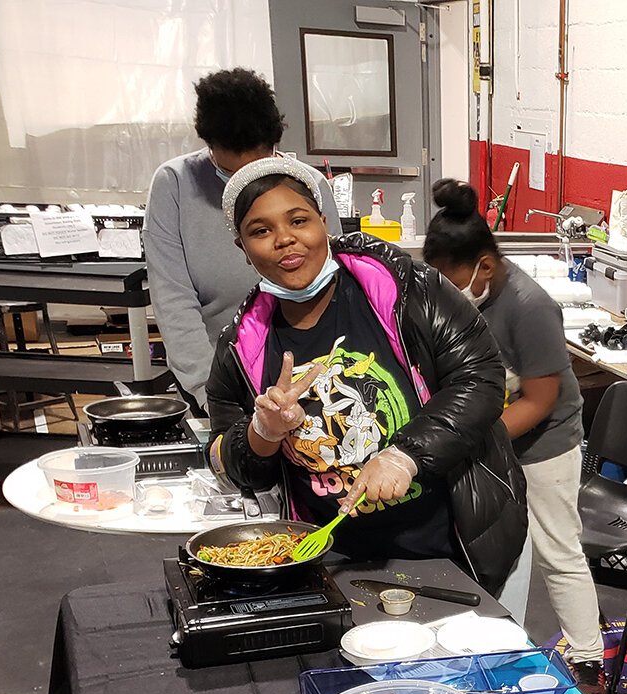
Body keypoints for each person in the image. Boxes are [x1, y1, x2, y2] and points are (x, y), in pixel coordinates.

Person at [206, 157, 525, 591]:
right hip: (328, 561)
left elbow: (481, 379)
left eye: (298, 220)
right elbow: (229, 463)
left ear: (323, 222)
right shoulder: (240, 346)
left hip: (448, 547)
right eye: (260, 231)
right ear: (243, 248)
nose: (284, 239)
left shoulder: (409, 290)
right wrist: (264, 431)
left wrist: (404, 455)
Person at [423, 179, 607, 694]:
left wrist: (473, 440)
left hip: (545, 443)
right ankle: (495, 649)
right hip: (490, 439)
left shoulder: (530, 306)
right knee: (493, 550)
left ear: (483, 266)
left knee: (556, 548)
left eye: (448, 277)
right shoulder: (459, 299)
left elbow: (541, 399)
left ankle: (589, 660)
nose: (442, 287)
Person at [146, 68, 340, 412]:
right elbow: (173, 300)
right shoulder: (174, 185)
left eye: (261, 168)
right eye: (235, 175)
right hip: (218, 371)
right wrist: (214, 395)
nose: (249, 187)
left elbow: (336, 284)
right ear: (209, 146)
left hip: (310, 373)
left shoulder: (308, 184)